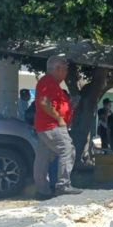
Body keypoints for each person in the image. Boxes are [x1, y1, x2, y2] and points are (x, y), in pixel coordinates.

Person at [33, 55, 82, 200]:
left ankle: (42, 189)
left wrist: (70, 106)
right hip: (52, 126)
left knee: (43, 157)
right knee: (67, 149)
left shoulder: (51, 83)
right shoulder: (47, 81)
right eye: (65, 69)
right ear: (57, 68)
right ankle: (63, 185)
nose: (66, 73)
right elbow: (44, 102)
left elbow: (52, 104)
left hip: (45, 126)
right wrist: (59, 118)